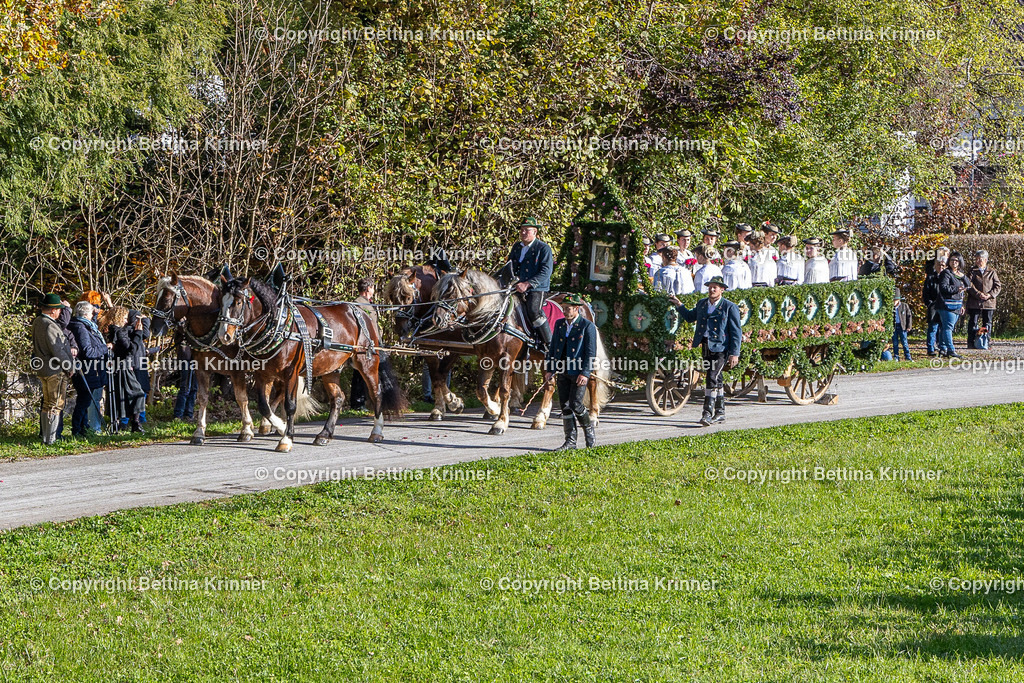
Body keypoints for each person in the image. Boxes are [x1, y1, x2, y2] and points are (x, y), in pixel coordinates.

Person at [671, 276, 742, 426]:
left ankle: (707, 413)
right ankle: (720, 412)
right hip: (706, 346)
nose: (712, 289)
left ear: (722, 289)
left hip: (722, 348)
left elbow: (736, 332)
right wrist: (679, 305)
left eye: (715, 287)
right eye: (710, 286)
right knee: (718, 378)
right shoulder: (702, 304)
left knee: (711, 376)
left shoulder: (730, 307)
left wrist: (735, 353)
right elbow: (691, 317)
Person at [543, 293, 597, 450]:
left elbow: (590, 352)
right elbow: (553, 349)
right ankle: (570, 441)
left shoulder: (587, 326)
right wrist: (550, 368)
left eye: (568, 309)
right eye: (564, 308)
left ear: (577, 309)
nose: (565, 311)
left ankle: (589, 433)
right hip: (563, 371)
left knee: (576, 403)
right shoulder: (559, 324)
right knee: (565, 405)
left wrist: (585, 373)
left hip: (578, 371)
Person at [32, 293, 74, 444]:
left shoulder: (38, 321)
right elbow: (57, 350)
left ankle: (46, 438)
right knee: (55, 405)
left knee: (47, 404)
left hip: (43, 369)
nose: (61, 312)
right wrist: (69, 367)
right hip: (54, 370)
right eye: (59, 309)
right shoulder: (50, 325)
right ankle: (50, 439)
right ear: (52, 310)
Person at [508, 216, 554, 351]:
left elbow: (546, 271)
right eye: (522, 230)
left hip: (536, 287)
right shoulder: (517, 247)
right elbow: (510, 266)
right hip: (516, 285)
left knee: (534, 311)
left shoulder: (543, 248)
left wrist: (527, 284)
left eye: (527, 230)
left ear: (535, 232)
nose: (523, 233)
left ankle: (548, 343)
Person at [67, 301, 108, 436]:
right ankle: (77, 430)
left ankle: (83, 428)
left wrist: (96, 312)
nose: (93, 315)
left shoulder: (84, 324)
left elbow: (92, 330)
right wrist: (105, 347)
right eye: (91, 313)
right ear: (85, 314)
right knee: (84, 400)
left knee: (85, 400)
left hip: (88, 368)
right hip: (86, 368)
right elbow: (88, 351)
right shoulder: (81, 328)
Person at [106, 306, 147, 432]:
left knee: (120, 396)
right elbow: (130, 349)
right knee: (137, 394)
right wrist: (138, 334)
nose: (126, 321)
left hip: (119, 367)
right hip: (122, 368)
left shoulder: (114, 330)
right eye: (124, 318)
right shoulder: (119, 331)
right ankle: (134, 423)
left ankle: (124, 423)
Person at [349, 278, 378, 409]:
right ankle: (358, 403)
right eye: (373, 287)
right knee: (360, 374)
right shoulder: (358, 304)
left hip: (371, 343)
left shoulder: (367, 303)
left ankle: (363, 402)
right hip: (365, 344)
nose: (374, 290)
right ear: (368, 289)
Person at [965, 250, 1001, 350]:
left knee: (987, 323)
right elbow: (969, 284)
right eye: (976, 259)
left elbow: (997, 286)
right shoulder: (972, 271)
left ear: (985, 260)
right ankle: (971, 343)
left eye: (980, 259)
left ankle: (986, 342)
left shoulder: (992, 272)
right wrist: (978, 293)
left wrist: (989, 295)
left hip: (988, 302)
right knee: (973, 322)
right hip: (974, 302)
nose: (978, 261)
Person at [936, 253, 969, 358]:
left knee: (946, 327)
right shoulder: (946, 273)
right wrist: (956, 289)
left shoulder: (959, 274)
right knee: (948, 328)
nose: (954, 262)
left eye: (957, 260)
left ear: (960, 262)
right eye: (952, 260)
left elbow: (968, 286)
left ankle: (943, 348)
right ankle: (951, 350)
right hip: (946, 305)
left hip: (957, 304)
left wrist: (963, 277)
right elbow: (943, 288)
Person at [922, 257, 945, 356]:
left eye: (943, 265)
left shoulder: (947, 277)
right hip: (934, 306)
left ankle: (942, 348)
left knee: (943, 328)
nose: (941, 267)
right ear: (935, 266)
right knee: (932, 328)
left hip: (945, 306)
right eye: (939, 264)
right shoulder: (930, 277)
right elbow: (925, 293)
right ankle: (930, 348)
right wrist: (930, 304)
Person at [172, 341, 197, 420]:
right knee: (185, 387)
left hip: (197, 359)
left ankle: (188, 413)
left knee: (194, 387)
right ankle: (179, 414)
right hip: (187, 359)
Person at [892, 289, 913, 362]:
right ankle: (896, 356)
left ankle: (908, 357)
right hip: (894, 327)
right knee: (895, 343)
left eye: (895, 300)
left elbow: (909, 316)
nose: (894, 302)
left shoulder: (904, 306)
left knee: (904, 342)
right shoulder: (891, 308)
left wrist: (909, 326)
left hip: (902, 327)